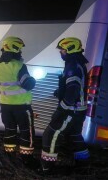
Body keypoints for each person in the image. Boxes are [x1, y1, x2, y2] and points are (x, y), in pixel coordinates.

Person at [39, 37, 90, 175]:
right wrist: (60, 91)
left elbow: (73, 90)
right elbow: (73, 86)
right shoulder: (76, 63)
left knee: (50, 134)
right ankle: (83, 166)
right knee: (74, 136)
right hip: (78, 111)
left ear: (70, 49)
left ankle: (47, 169)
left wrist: (61, 110)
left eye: (62, 49)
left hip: (71, 111)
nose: (61, 52)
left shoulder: (73, 65)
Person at [0, 36, 37, 168]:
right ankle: (27, 159)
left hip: (5, 106)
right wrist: (34, 79)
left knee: (10, 130)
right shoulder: (20, 66)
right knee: (27, 131)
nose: (20, 52)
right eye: (19, 49)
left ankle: (9, 157)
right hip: (21, 107)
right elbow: (27, 84)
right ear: (14, 48)